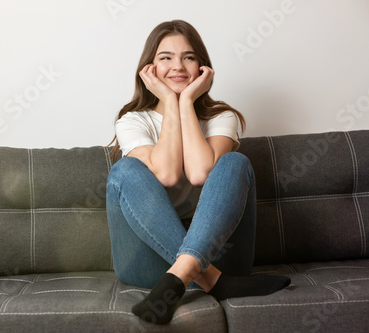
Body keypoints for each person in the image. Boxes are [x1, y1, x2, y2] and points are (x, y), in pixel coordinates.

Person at [106, 20, 290, 325]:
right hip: (147, 263)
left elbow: (200, 172)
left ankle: (180, 275)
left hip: (221, 252)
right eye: (166, 57)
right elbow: (165, 174)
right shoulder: (132, 121)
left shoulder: (222, 117)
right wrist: (168, 100)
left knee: (234, 163)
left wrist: (187, 101)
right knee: (125, 170)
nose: (178, 66)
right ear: (149, 68)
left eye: (188, 57)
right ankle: (213, 281)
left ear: (202, 67)